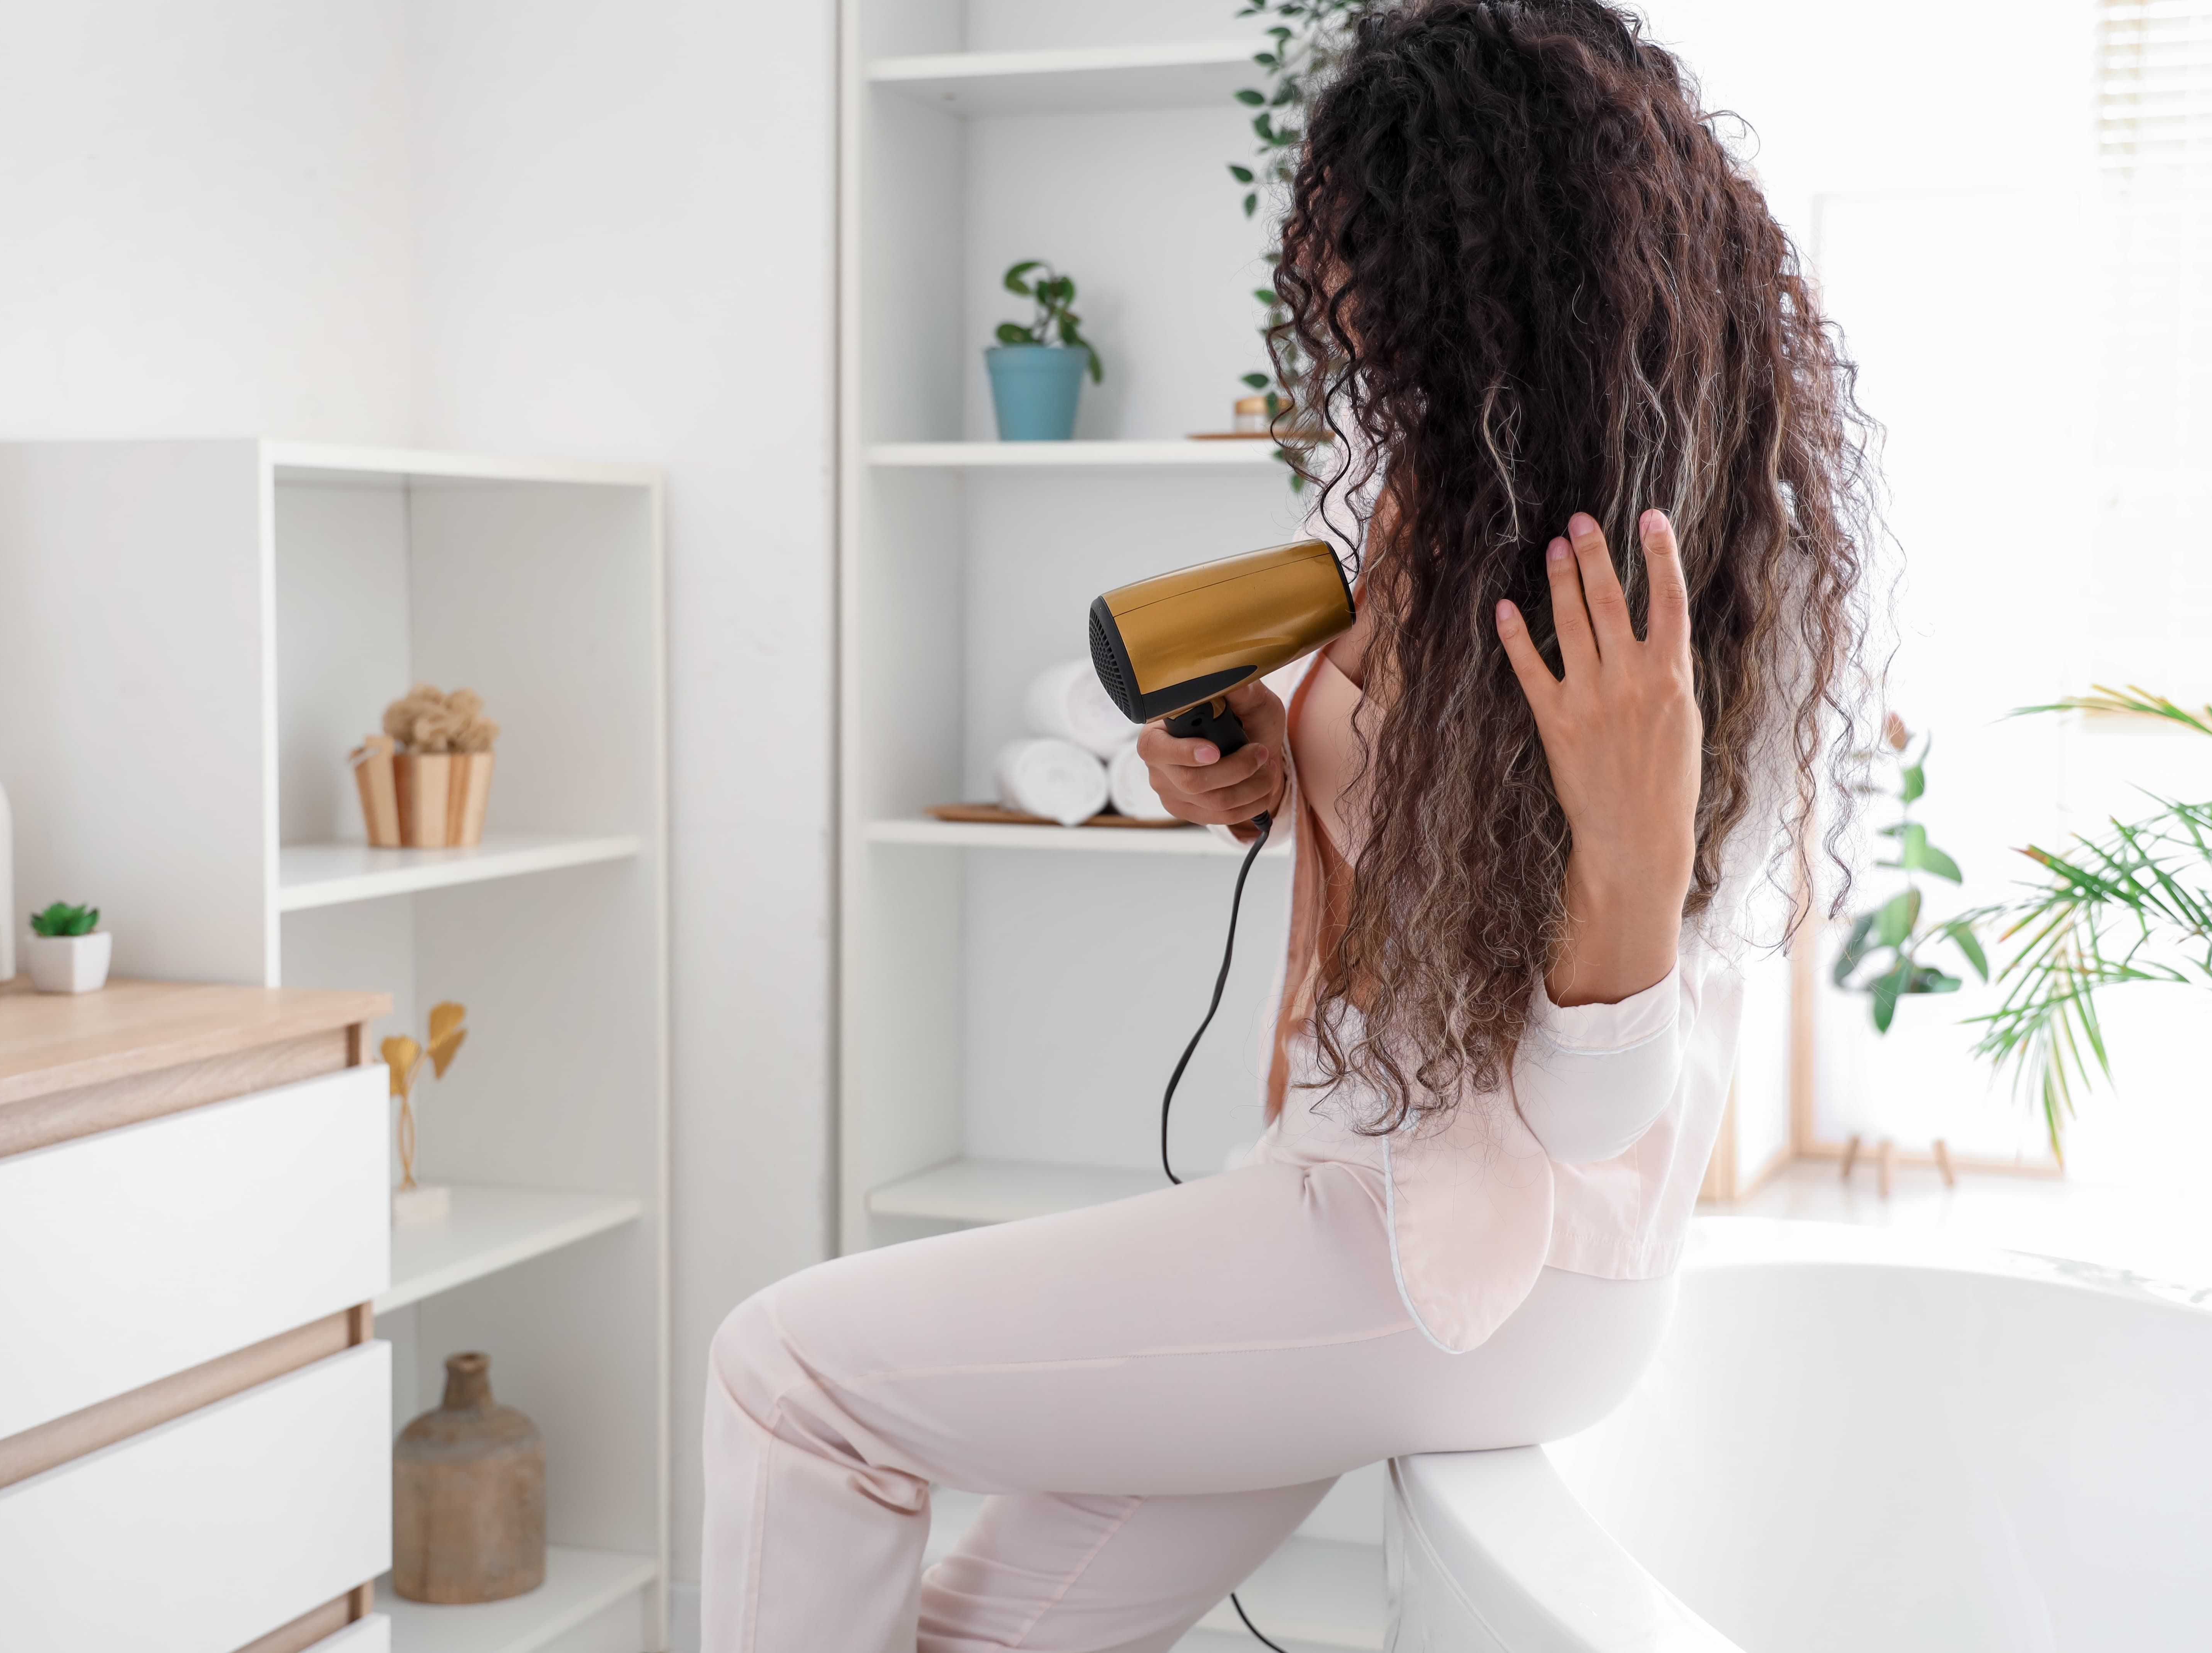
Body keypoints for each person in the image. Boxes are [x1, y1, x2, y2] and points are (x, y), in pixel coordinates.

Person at [703, 2, 1872, 1647]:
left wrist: (1631, 839)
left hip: (1477, 1261)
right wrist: (1253, 763)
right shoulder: (1431, 486)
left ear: (1526, 281)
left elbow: (1594, 1125)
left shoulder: (1726, 588)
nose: (1376, 362)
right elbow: (1397, 799)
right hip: (1346, 1192)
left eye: (1400, 313)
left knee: (785, 1377)